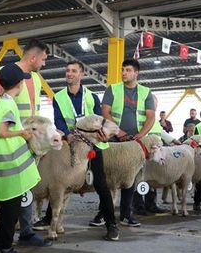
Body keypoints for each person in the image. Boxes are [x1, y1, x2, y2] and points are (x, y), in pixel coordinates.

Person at [35, 61, 119, 240]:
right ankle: (49, 218)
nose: (69, 73)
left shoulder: (91, 96)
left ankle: (111, 224)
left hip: (93, 146)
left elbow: (99, 120)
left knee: (101, 185)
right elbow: (58, 120)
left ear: (81, 74)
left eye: (74, 71)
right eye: (67, 70)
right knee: (59, 179)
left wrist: (103, 135)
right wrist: (66, 135)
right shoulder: (59, 97)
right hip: (70, 144)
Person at [0, 39, 51, 247]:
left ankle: (26, 231)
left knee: (24, 186)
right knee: (2, 189)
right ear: (33, 57)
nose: (44, 64)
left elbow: (34, 112)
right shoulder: (5, 73)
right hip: (8, 142)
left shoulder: (36, 79)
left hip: (26, 142)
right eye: (43, 59)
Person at [0, 63, 40, 253]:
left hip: (4, 165)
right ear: (19, 84)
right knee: (11, 211)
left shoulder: (0, 102)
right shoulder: (9, 105)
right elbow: (2, 132)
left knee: (7, 209)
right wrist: (22, 133)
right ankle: (6, 251)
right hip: (10, 165)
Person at [101, 59, 163, 227]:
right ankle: (103, 213)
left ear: (136, 73)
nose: (123, 73)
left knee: (131, 178)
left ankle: (126, 214)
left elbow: (151, 116)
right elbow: (105, 112)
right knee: (107, 177)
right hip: (113, 138)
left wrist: (140, 136)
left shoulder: (146, 92)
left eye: (127, 70)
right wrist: (119, 132)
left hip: (135, 142)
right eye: (122, 70)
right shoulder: (112, 89)